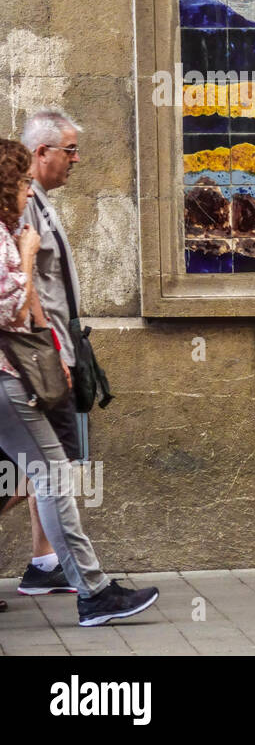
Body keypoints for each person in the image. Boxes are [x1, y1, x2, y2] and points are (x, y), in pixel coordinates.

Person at [0, 137, 160, 625]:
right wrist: (28, 253)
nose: (30, 192)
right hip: (7, 379)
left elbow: (27, 309)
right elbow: (9, 308)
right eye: (23, 182)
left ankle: (81, 584)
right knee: (51, 477)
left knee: (37, 479)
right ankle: (92, 593)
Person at [13, 110, 85, 597]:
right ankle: (80, 581)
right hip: (41, 356)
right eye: (70, 150)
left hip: (54, 350)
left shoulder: (38, 200)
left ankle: (45, 562)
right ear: (43, 153)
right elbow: (26, 286)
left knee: (40, 465)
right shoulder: (24, 205)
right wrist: (53, 348)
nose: (76, 160)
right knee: (37, 465)